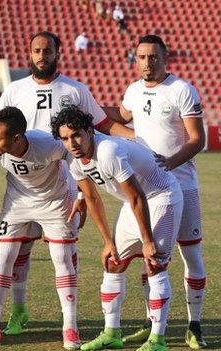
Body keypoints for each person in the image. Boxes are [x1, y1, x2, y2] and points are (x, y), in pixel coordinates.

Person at [0, 31, 133, 337]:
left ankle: (70, 324)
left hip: (61, 182)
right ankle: (18, 311)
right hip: (20, 183)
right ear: (30, 53)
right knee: (17, 253)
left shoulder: (75, 89)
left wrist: (137, 140)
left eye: (47, 50)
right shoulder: (15, 90)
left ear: (57, 52)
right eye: (36, 50)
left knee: (62, 255)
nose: (42, 55)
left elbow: (102, 124)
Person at [52, 106, 183, 351]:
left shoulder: (109, 150)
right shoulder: (74, 160)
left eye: (77, 135)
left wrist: (147, 240)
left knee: (154, 263)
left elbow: (137, 197)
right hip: (133, 203)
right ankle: (111, 332)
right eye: (65, 138)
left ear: (90, 131)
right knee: (113, 262)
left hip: (161, 196)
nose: (72, 143)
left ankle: (158, 340)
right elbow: (92, 199)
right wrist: (108, 242)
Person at [117, 35, 208, 349]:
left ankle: (194, 325)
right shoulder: (132, 90)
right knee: (150, 257)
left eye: (153, 56)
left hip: (182, 185)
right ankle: (151, 322)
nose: (147, 62)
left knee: (191, 255)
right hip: (150, 191)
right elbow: (121, 117)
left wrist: (170, 162)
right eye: (142, 57)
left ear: (164, 58)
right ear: (136, 59)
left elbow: (198, 139)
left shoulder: (181, 90)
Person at [0, 107, 81, 349]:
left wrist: (80, 197)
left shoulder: (48, 145)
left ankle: (70, 328)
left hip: (54, 201)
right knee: (5, 258)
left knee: (61, 258)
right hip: (18, 201)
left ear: (16, 138)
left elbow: (74, 161)